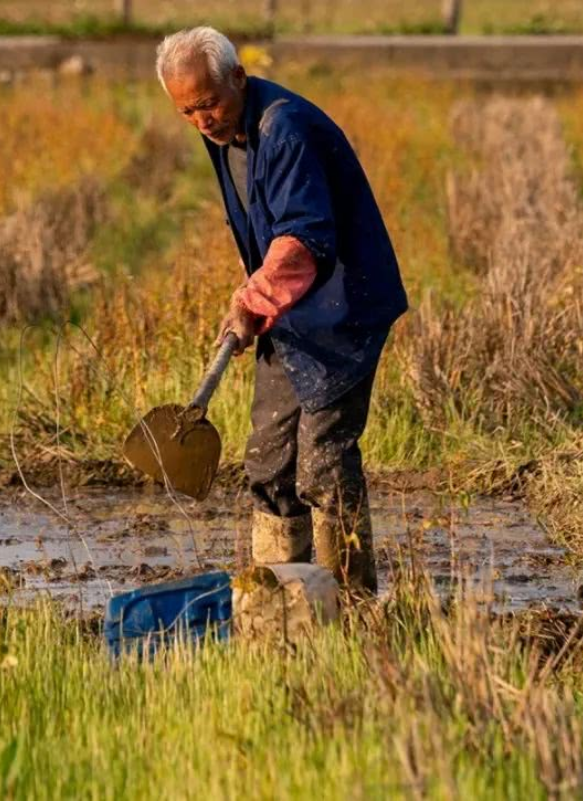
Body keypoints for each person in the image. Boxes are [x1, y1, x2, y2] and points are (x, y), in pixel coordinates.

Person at [156, 27, 407, 594]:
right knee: (268, 465)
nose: (202, 121)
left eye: (209, 103)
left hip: (342, 310)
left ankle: (349, 602)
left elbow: (304, 239)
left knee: (321, 464)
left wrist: (251, 300)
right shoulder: (226, 131)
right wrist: (256, 299)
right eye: (187, 111)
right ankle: (278, 603)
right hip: (289, 310)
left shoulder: (285, 129)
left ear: (238, 78)